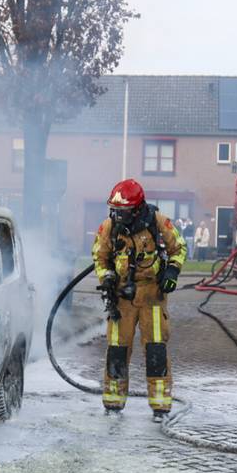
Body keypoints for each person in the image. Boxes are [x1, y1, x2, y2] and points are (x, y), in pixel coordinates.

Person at [91, 178, 187, 421]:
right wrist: (108, 277)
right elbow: (99, 258)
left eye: (122, 211)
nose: (117, 215)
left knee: (156, 349)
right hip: (121, 298)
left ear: (135, 208)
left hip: (151, 295)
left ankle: (160, 407)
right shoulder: (109, 227)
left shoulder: (157, 222)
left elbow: (180, 247)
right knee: (117, 350)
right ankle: (113, 403)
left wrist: (172, 272)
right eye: (115, 210)